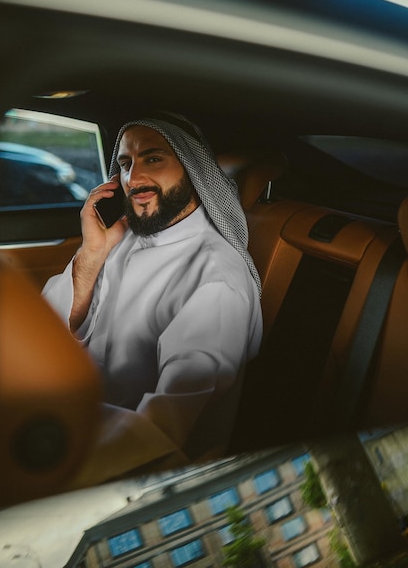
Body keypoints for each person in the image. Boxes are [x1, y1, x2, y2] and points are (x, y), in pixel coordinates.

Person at [43, 112, 262, 488]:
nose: (135, 178)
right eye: (126, 164)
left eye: (153, 158)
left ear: (193, 170)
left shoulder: (216, 278)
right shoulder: (122, 238)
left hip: (129, 470)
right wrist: (91, 257)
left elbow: (163, 430)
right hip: (65, 421)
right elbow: (44, 338)